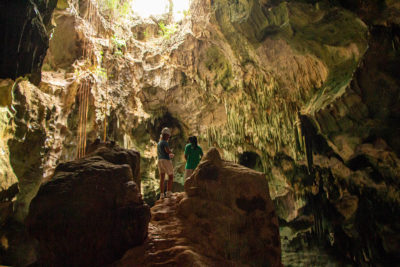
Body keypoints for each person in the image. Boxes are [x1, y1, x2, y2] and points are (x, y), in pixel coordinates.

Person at [157, 127, 175, 199]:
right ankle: (168, 192)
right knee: (170, 176)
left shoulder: (159, 143)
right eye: (168, 136)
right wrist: (171, 153)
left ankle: (161, 194)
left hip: (160, 161)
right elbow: (167, 150)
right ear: (166, 135)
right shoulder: (165, 142)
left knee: (162, 178)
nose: (169, 137)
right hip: (165, 160)